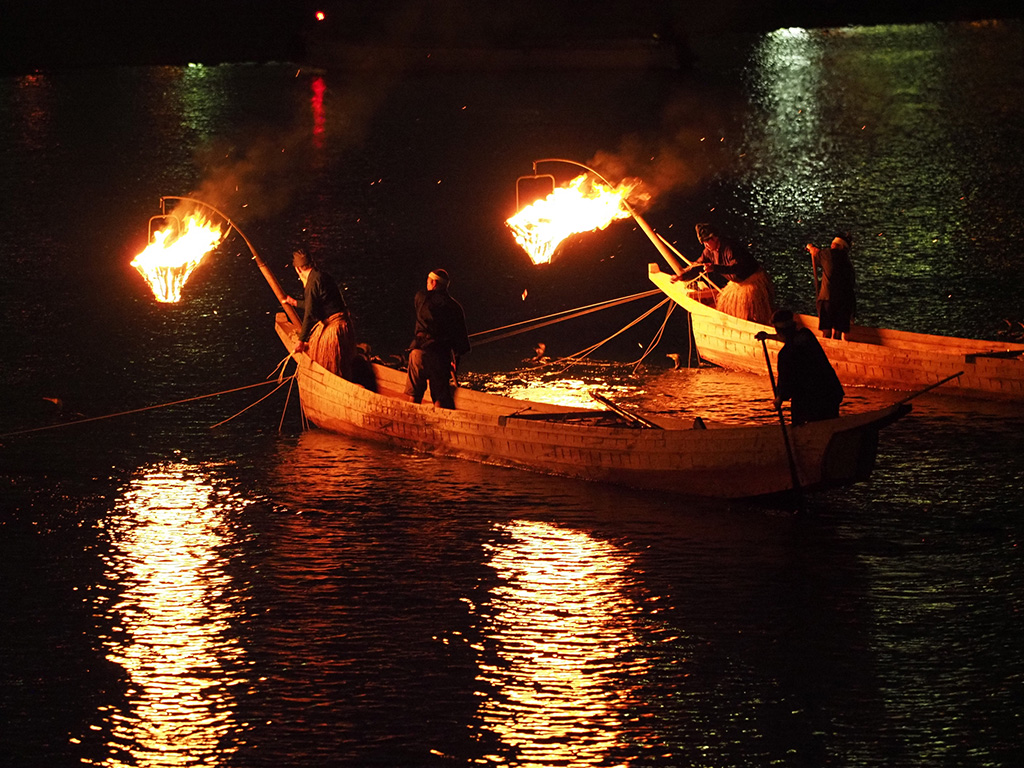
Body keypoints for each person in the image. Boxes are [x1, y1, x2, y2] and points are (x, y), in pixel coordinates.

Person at [671, 222, 775, 324]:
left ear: (715, 238)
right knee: (725, 307)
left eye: (707, 241)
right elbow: (697, 266)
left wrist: (715, 268)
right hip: (737, 284)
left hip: (751, 282)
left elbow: (737, 267)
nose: (705, 245)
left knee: (754, 314)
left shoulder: (730, 247)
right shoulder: (708, 252)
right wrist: (681, 276)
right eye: (703, 243)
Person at [755, 309, 844, 425]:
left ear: (779, 331)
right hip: (831, 392)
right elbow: (791, 338)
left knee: (801, 422)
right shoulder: (807, 335)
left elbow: (785, 380)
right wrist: (768, 336)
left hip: (809, 399)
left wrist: (779, 398)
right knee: (829, 423)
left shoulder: (785, 354)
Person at [284, 249, 358, 381]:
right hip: (343, 322)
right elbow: (315, 303)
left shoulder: (312, 283)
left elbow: (309, 314)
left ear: (298, 270)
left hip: (334, 328)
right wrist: (294, 302)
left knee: (327, 363)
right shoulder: (321, 275)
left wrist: (301, 341)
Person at [404, 268, 471, 409]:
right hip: (440, 356)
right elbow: (461, 343)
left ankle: (411, 417)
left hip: (418, 353)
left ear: (434, 283)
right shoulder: (455, 307)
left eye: (428, 282)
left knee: (414, 395)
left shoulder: (421, 297)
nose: (427, 285)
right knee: (440, 397)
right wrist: (455, 361)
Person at [807, 232, 857, 340]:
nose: (831, 246)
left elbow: (816, 252)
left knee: (826, 331)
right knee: (838, 334)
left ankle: (826, 351)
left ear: (836, 245)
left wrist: (810, 247)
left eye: (833, 244)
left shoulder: (829, 254)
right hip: (845, 302)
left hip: (827, 299)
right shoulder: (847, 263)